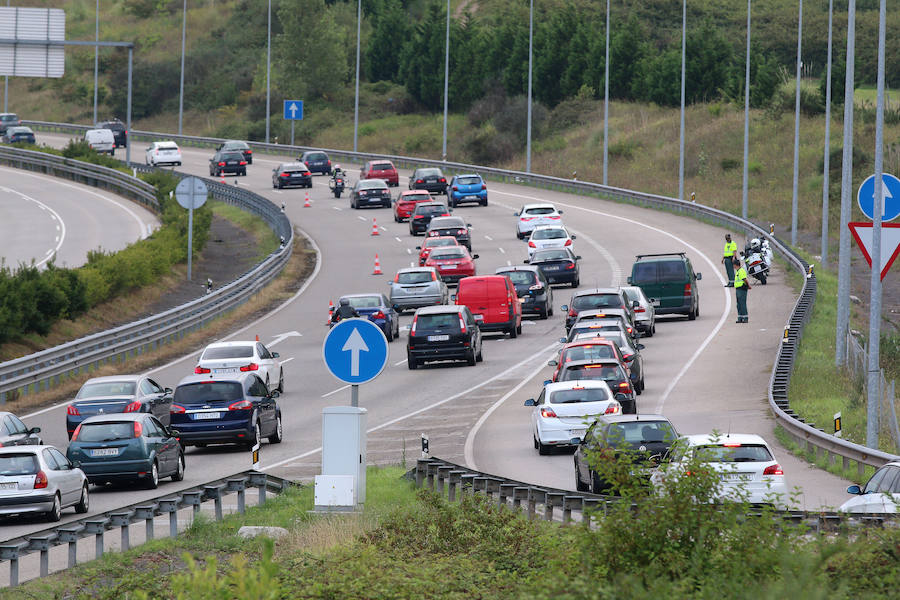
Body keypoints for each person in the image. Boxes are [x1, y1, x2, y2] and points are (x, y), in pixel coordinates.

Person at [733, 257, 751, 323]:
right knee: (738, 304)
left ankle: (745, 318)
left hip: (742, 289)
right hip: (738, 289)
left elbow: (745, 279)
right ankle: (740, 317)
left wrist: (748, 286)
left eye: (733, 265)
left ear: (735, 265)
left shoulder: (741, 271)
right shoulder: (738, 271)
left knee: (742, 303)